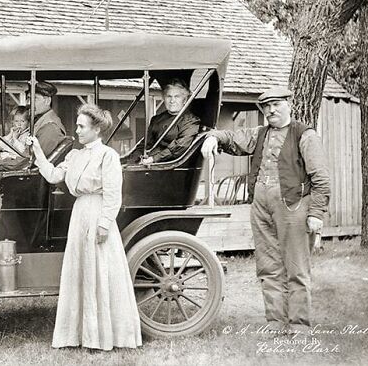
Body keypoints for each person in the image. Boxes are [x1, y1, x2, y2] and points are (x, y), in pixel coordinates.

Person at [201, 87, 331, 335]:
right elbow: (232, 136)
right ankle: (275, 322)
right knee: (268, 267)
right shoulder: (260, 134)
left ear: (288, 105)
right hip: (261, 207)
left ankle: (299, 325)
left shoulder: (304, 135)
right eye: (267, 106)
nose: (271, 110)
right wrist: (213, 137)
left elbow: (321, 178)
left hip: (293, 206)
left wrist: (316, 213)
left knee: (296, 267)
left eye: (277, 105)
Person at [29, 104, 142, 350]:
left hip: (98, 213)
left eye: (81, 126)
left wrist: (104, 224)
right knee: (80, 272)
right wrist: (37, 150)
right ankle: (82, 335)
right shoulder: (74, 156)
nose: (77, 131)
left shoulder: (107, 156)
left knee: (99, 270)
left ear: (96, 129)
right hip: (80, 214)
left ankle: (104, 336)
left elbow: (113, 194)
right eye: (77, 125)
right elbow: (52, 176)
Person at [0, 82, 66, 171]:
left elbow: (28, 160)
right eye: (28, 98)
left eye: (34, 99)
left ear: (47, 101)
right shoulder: (38, 122)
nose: (29, 103)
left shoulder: (50, 127)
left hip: (28, 177)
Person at [127, 78, 200, 164]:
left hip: (169, 166)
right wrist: (132, 161)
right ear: (164, 98)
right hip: (148, 162)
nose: (172, 101)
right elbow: (145, 145)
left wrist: (153, 159)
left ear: (184, 100)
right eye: (169, 96)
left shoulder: (191, 121)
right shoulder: (156, 119)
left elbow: (179, 147)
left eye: (177, 97)